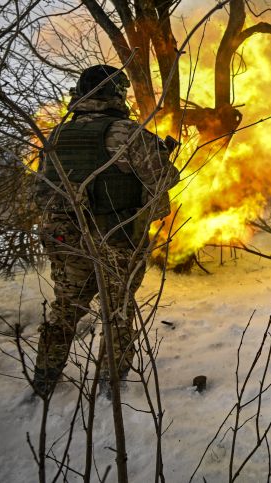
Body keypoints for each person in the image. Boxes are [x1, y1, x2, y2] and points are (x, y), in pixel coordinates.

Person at [32, 65, 180, 397]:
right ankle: (112, 384)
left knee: (65, 308)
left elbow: (41, 189)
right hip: (114, 238)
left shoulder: (57, 136)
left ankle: (44, 378)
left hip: (64, 239)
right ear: (115, 94)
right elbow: (164, 179)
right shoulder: (126, 132)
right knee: (117, 310)